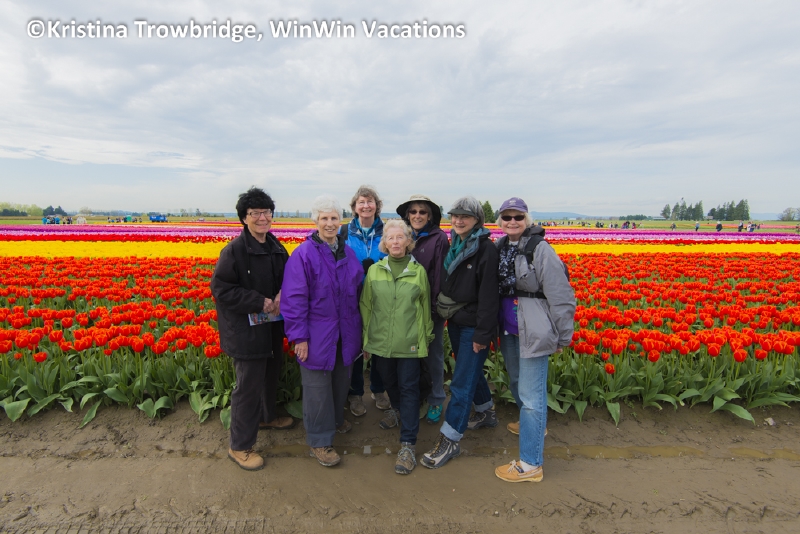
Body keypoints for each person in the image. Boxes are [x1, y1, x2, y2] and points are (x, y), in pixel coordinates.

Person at [210, 187, 294, 472]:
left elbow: (289, 278)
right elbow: (221, 289)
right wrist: (259, 301)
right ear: (244, 218)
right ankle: (239, 446)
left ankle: (267, 417)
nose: (262, 218)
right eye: (255, 213)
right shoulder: (234, 251)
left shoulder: (276, 247)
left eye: (266, 212)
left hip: (271, 328)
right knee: (247, 387)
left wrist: (283, 293)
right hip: (245, 331)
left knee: (270, 375)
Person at [492, 197, 576, 482]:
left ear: (527, 219)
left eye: (518, 217)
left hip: (535, 330)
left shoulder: (540, 249)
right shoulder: (500, 247)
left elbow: (561, 294)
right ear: (500, 220)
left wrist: (563, 336)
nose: (512, 222)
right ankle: (533, 426)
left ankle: (530, 465)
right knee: (517, 383)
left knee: (531, 397)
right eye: (507, 217)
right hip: (509, 328)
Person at [281, 195, 364, 467]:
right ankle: (319, 441)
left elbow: (359, 292)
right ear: (315, 221)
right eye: (324, 218)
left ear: (341, 221)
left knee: (341, 382)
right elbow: (294, 299)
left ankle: (336, 421)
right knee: (317, 388)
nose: (329, 223)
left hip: (346, 331)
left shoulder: (348, 253)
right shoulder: (303, 254)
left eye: (334, 218)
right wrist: (299, 337)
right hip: (316, 333)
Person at [421, 196, 499, 469]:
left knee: (461, 382)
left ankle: (450, 439)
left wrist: (482, 334)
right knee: (469, 370)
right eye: (455, 215)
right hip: (456, 320)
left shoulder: (485, 249)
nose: (458, 220)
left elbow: (489, 296)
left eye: (465, 216)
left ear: (477, 219)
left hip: (473, 325)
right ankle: (486, 412)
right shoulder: (455, 243)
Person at [360, 220, 434, 474]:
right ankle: (399, 411)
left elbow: (424, 308)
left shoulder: (418, 272)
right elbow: (366, 306)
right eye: (390, 238)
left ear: (408, 241)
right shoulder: (375, 271)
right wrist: (366, 339)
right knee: (389, 383)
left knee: (409, 388)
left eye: (400, 237)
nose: (395, 242)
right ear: (384, 243)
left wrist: (425, 339)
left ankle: (408, 445)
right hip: (381, 343)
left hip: (409, 342)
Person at [396, 195, 450, 424]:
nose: (417, 215)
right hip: (406, 309)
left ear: (430, 216)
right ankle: (417, 396)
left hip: (429, 309)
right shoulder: (405, 236)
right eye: (413, 211)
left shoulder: (438, 239)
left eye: (422, 212)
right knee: (411, 356)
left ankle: (436, 398)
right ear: (407, 215)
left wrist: (433, 311)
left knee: (433, 355)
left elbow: (439, 278)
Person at [342, 185, 390, 416]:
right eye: (361, 202)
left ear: (377, 206)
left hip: (381, 296)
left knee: (379, 344)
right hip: (351, 296)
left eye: (370, 201)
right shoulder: (344, 232)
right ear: (354, 207)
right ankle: (355, 393)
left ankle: (379, 390)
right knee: (355, 345)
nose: (366, 206)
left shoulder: (387, 230)